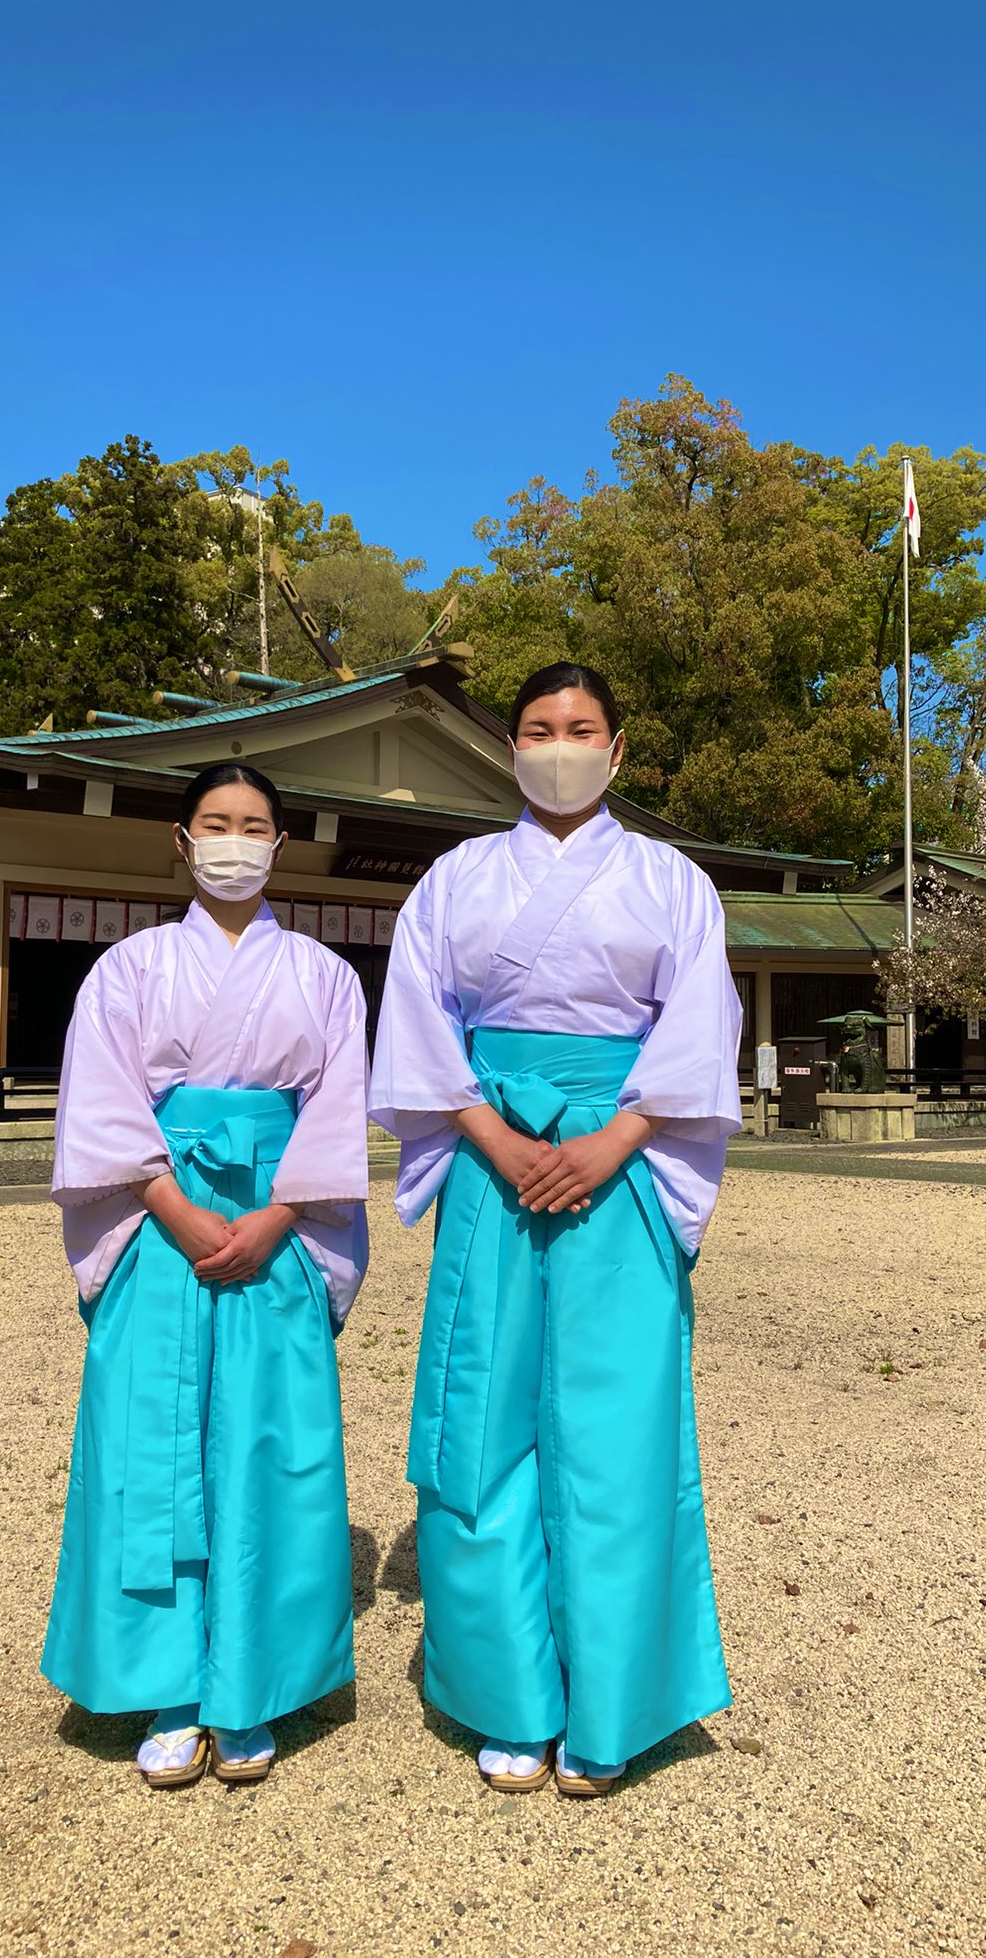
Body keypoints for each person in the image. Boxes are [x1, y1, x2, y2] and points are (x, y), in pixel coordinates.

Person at [370, 662, 741, 1797]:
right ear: (512, 749)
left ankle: (612, 1700)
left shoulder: (674, 881)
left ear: (619, 751)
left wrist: (615, 1139)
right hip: (493, 1154)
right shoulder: (454, 877)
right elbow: (419, 1018)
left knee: (617, 1428)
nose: (561, 743)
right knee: (481, 1416)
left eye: (583, 728)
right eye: (539, 728)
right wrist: (491, 1131)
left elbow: (697, 1027)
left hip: (620, 1156)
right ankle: (507, 1694)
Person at [41, 762, 370, 1789]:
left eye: (255, 825)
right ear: (182, 842)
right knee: (156, 1441)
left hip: (279, 1222)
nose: (235, 840)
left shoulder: (324, 975)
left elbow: (336, 1107)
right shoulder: (129, 969)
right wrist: (179, 1213)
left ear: (280, 844)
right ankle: (173, 1685)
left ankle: (254, 1681)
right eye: (215, 824)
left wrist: (276, 1216)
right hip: (157, 1220)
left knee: (267, 1446)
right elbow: (100, 1098)